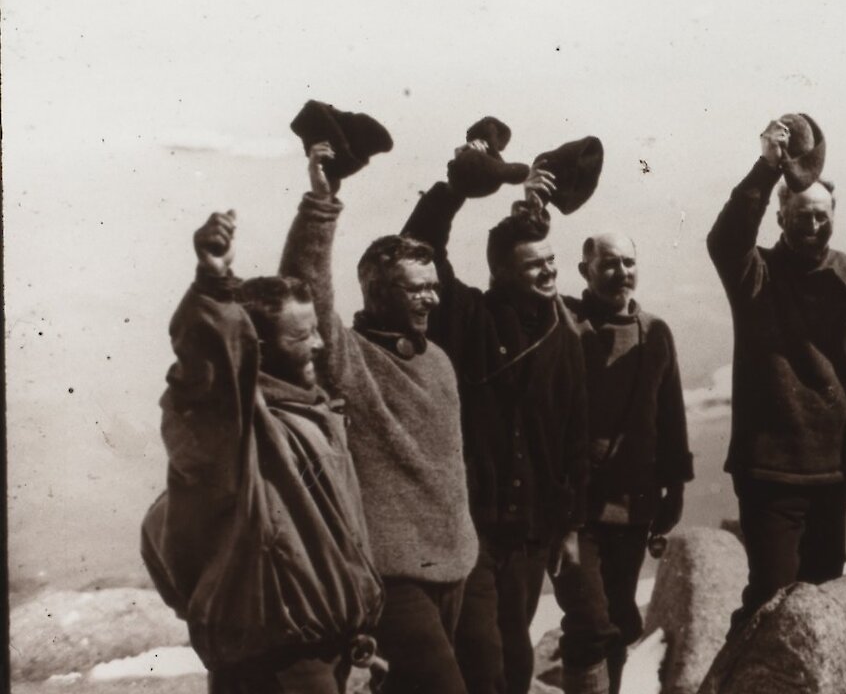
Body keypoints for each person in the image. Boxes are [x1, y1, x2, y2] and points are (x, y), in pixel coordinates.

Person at [141, 208, 384, 693]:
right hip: (275, 667)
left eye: (316, 328)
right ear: (261, 351)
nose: (318, 344)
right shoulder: (240, 436)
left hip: (323, 656)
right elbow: (206, 382)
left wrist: (356, 642)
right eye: (301, 336)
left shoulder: (313, 414)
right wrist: (212, 285)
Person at [277, 142, 478, 693]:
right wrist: (321, 206)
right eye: (417, 289)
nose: (432, 300)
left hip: (457, 567)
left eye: (434, 286)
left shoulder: (437, 359)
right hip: (392, 579)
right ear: (378, 292)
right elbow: (306, 293)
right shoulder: (351, 358)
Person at [403, 143, 591, 694]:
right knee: (481, 660)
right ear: (502, 274)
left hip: (533, 531)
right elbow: (419, 248)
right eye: (535, 266)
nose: (549, 273)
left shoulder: (566, 337)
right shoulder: (467, 318)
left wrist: (570, 526)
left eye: (552, 263)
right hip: (474, 527)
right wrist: (454, 190)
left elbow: (573, 436)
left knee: (515, 660)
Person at [707, 117, 846, 633]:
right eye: (801, 215)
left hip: (832, 468)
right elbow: (725, 237)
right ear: (779, 216)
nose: (813, 225)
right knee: (771, 600)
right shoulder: (755, 272)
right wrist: (767, 166)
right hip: (769, 470)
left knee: (820, 600)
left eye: (822, 216)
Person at [554, 233, 692, 693]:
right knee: (590, 620)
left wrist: (676, 486)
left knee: (619, 618)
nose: (621, 272)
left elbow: (670, 415)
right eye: (608, 263)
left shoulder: (656, 333)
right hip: (575, 512)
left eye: (629, 262)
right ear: (585, 271)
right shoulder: (566, 326)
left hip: (633, 507)